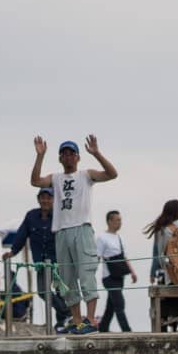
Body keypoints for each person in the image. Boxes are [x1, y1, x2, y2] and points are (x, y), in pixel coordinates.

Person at [30, 135, 118, 335]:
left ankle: (90, 319)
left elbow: (112, 174)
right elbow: (35, 181)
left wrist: (96, 153)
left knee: (86, 272)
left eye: (71, 154)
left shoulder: (86, 175)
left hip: (82, 228)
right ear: (60, 158)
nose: (68, 157)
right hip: (61, 231)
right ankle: (76, 320)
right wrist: (40, 156)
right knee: (66, 278)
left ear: (77, 158)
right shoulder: (55, 178)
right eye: (64, 154)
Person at [2, 187, 70, 332]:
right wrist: (12, 252)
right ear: (38, 199)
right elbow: (21, 235)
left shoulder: (61, 215)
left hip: (58, 261)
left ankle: (61, 324)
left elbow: (68, 236)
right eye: (42, 197)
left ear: (53, 200)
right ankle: (67, 313)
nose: (45, 200)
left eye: (49, 197)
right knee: (42, 291)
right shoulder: (31, 216)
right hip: (40, 262)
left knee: (61, 293)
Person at [144, 200, 178, 332]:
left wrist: (161, 271)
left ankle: (163, 327)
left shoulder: (164, 230)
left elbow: (160, 257)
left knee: (164, 301)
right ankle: (174, 326)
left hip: (172, 278)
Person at [96, 210, 136, 332]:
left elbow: (124, 257)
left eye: (120, 220)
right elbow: (97, 256)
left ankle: (103, 328)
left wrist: (132, 272)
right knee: (119, 303)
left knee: (111, 306)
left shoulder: (119, 238)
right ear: (109, 221)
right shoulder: (102, 238)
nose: (120, 223)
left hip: (119, 276)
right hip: (108, 277)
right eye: (117, 220)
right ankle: (127, 330)